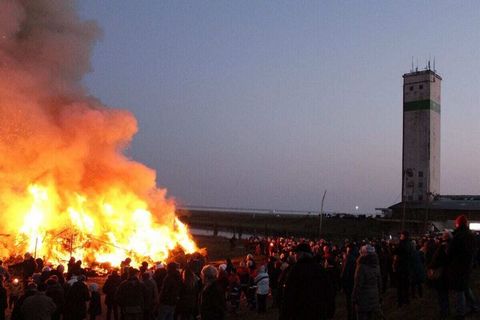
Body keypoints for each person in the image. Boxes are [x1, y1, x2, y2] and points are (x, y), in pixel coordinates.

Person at [280, 242, 333, 320]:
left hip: (300, 311)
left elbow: (289, 293)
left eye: (296, 254)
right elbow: (328, 291)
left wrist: (284, 314)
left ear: (300, 254)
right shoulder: (320, 269)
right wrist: (329, 310)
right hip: (318, 311)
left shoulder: (295, 270)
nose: (295, 256)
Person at [447, 215, 478, 318]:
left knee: (459, 289)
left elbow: (451, 251)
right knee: (465, 286)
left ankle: (461, 312)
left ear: (458, 224)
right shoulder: (470, 235)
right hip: (467, 264)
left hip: (458, 265)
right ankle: (473, 306)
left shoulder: (458, 236)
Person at [352, 244, 382, 320]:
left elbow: (358, 284)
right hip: (374, 297)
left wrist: (354, 298)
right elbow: (379, 282)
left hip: (363, 299)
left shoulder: (361, 267)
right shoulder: (376, 265)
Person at [393, 231, 413, 307]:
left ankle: (400, 301)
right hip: (407, 267)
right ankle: (406, 300)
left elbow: (395, 252)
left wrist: (394, 246)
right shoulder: (410, 244)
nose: (400, 237)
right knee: (406, 284)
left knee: (400, 285)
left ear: (404, 236)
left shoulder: (401, 244)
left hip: (401, 267)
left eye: (401, 235)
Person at [341, 243, 358, 320]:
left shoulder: (349, 258)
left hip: (349, 283)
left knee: (350, 303)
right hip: (353, 282)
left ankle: (351, 317)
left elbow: (345, 273)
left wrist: (342, 283)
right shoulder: (355, 258)